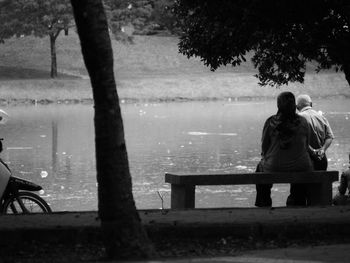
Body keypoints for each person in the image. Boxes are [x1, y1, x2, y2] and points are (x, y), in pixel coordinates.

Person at [255, 92, 313, 207]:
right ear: (294, 105)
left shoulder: (271, 122)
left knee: (259, 168)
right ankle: (297, 200)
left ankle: (264, 201)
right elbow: (306, 146)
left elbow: (264, 147)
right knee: (304, 167)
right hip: (301, 166)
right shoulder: (303, 122)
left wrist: (267, 158)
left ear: (278, 105)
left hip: (274, 166)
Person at [296, 94, 334, 170]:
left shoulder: (297, 118)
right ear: (311, 104)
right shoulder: (322, 117)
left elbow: (299, 139)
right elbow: (330, 137)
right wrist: (323, 149)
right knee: (321, 181)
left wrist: (313, 152)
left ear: (297, 107)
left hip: (305, 161)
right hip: (322, 159)